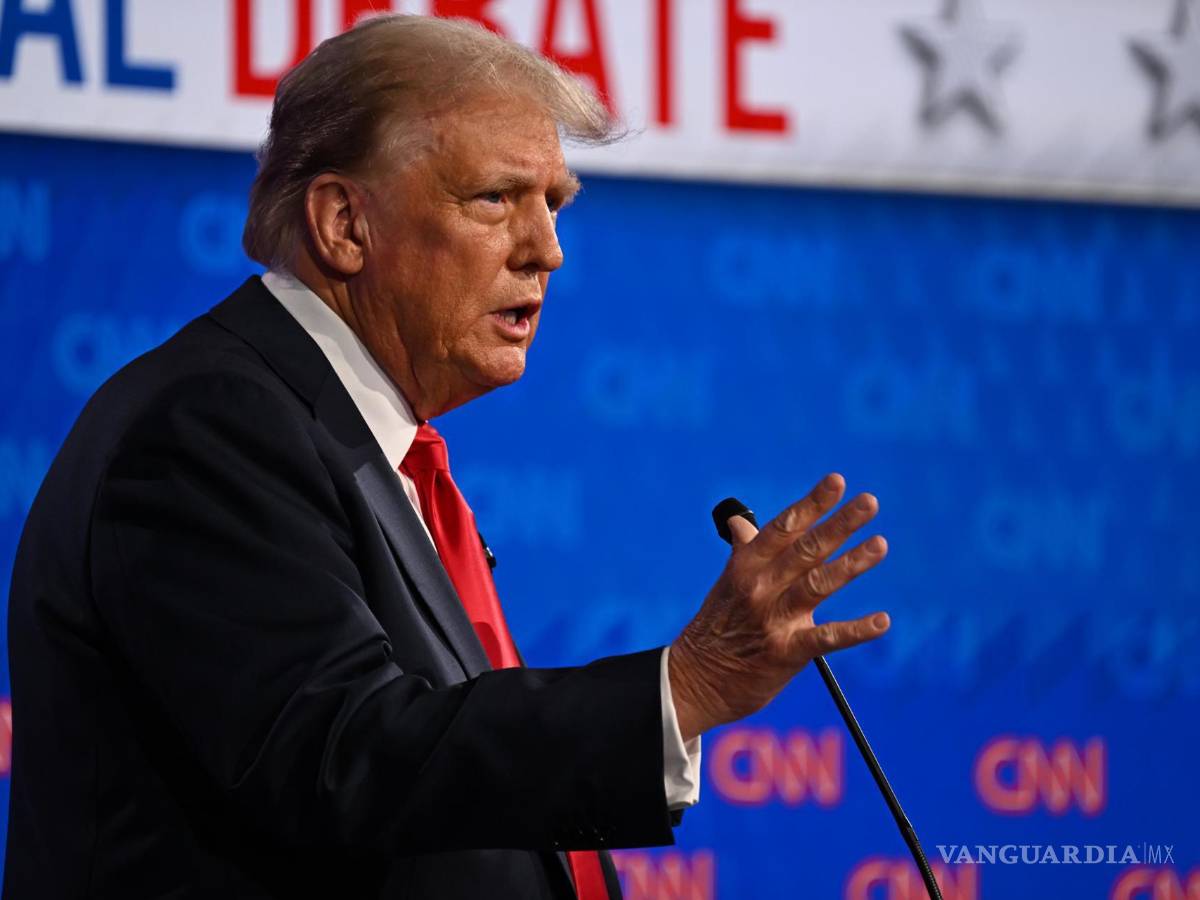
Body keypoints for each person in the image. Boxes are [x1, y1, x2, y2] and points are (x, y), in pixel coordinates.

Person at [3, 14, 891, 900]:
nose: (548, 249)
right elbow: (339, 757)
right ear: (345, 224)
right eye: (496, 198)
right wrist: (685, 685)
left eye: (556, 203)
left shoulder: (360, 446)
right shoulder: (207, 427)